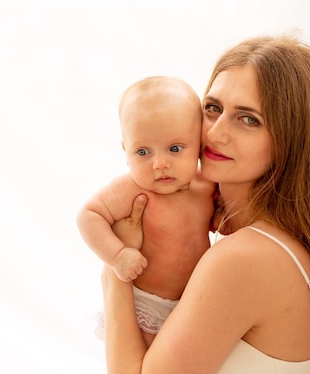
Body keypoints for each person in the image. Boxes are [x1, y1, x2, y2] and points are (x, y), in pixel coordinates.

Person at [101, 36, 310, 374]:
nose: (216, 133)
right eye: (213, 108)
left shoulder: (246, 258)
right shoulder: (263, 244)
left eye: (249, 119)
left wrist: (115, 271)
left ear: (289, 140)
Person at [76, 76, 216, 346]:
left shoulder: (206, 186)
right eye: (143, 152)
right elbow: (88, 216)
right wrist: (117, 255)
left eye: (175, 149)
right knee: (143, 367)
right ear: (125, 151)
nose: (160, 164)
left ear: (198, 145)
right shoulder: (131, 190)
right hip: (145, 305)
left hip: (191, 304)